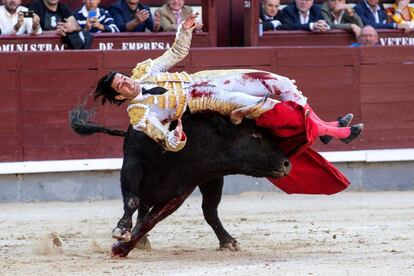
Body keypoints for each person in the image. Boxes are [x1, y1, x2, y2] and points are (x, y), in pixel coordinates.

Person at [95, 13, 363, 152]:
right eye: (121, 85)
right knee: (264, 104)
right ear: (119, 97)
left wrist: (184, 30)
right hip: (203, 101)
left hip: (208, 79)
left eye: (123, 77)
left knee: (280, 83)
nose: (127, 81)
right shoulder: (139, 113)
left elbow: (176, 53)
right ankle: (338, 133)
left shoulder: (145, 71)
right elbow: (164, 139)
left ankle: (325, 128)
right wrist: (175, 138)